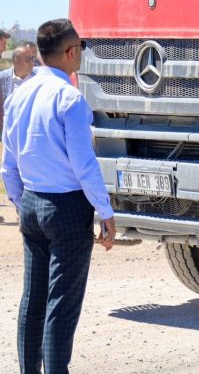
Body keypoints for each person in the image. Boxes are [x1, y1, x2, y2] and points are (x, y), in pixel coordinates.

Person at [2, 19, 115, 374]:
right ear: (70, 52)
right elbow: (84, 164)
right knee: (61, 305)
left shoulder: (18, 94)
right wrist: (105, 211)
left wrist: (23, 203)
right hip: (66, 206)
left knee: (33, 300)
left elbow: (8, 161)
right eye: (79, 47)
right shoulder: (70, 98)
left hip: (32, 201)